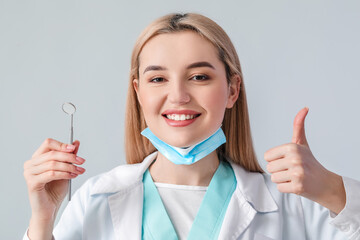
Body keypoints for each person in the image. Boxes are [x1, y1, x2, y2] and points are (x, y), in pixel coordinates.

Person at [23, 13, 360, 240]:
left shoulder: (290, 205)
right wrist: (43, 219)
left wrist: (331, 189)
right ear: (138, 92)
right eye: (157, 78)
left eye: (199, 77)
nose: (179, 95)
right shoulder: (94, 201)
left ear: (232, 90)